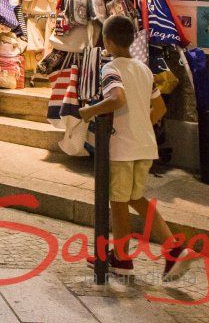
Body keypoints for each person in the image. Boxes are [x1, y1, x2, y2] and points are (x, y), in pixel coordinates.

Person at [79, 15, 195, 281]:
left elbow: (116, 99)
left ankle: (125, 257)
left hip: (122, 148)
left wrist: (89, 111)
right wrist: (141, 124)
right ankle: (166, 249)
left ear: (106, 41)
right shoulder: (143, 69)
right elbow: (160, 108)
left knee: (118, 202)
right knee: (134, 198)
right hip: (145, 145)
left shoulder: (110, 68)